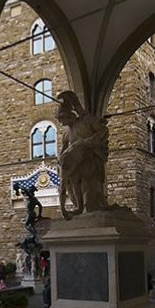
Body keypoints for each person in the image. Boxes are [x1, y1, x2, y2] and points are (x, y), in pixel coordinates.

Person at [55, 91, 110, 220]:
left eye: (61, 119)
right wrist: (60, 161)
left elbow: (104, 131)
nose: (61, 124)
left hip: (90, 161)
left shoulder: (87, 120)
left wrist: (88, 142)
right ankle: (79, 208)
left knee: (89, 189)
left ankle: (90, 208)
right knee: (72, 186)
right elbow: (63, 149)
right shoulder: (66, 132)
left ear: (69, 115)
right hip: (75, 163)